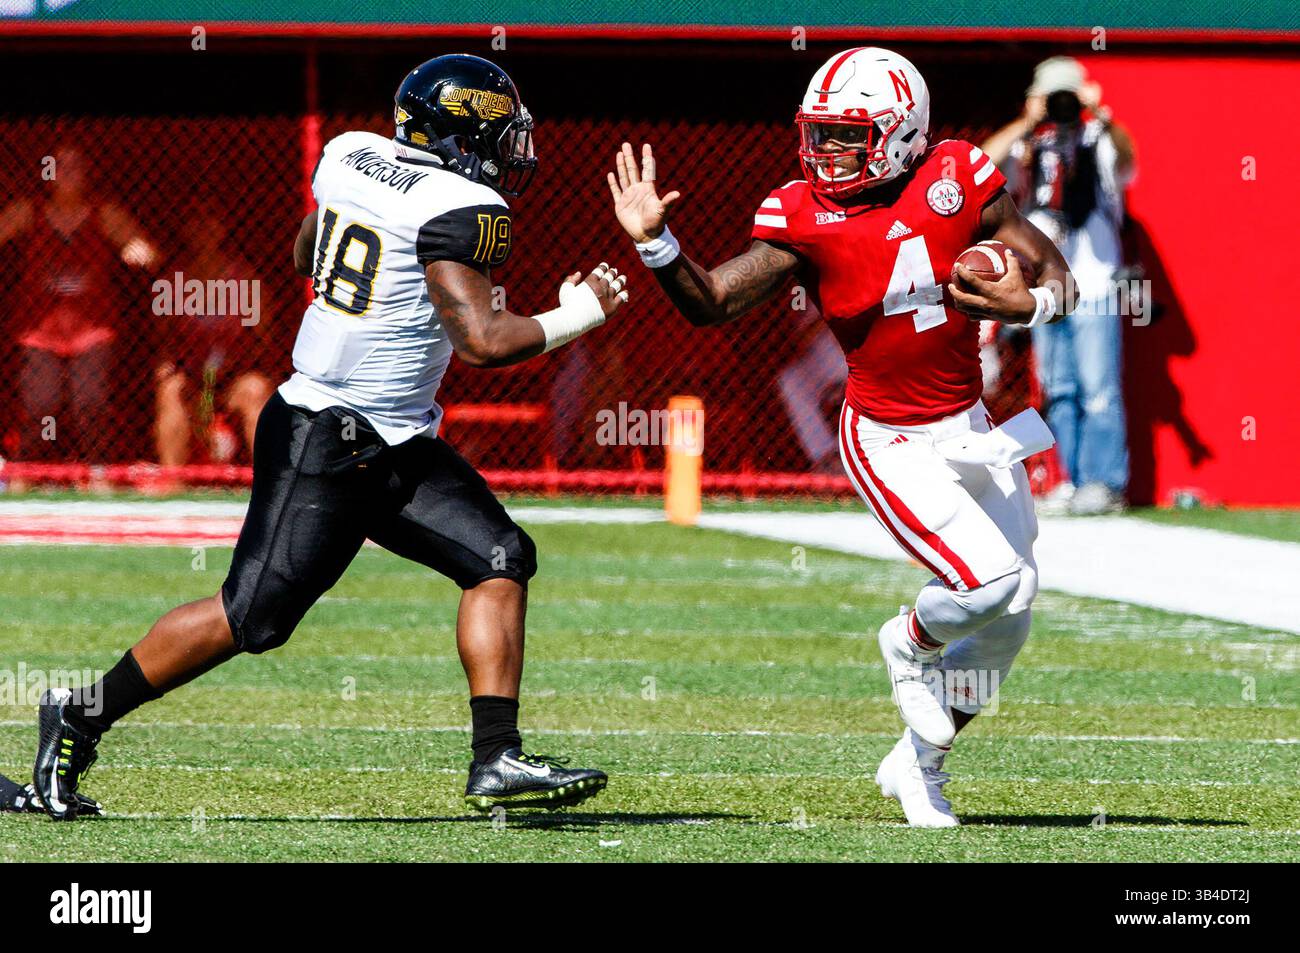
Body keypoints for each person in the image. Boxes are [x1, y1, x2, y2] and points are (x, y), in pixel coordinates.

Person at [31, 54, 623, 820]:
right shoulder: (464, 206)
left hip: (397, 436)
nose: (513, 151)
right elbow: (481, 341)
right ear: (460, 134)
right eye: (500, 134)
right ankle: (77, 713)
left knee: (500, 555)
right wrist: (580, 312)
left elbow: (308, 252)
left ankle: (497, 758)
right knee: (252, 618)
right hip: (326, 436)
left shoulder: (351, 153)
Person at [608, 47, 1074, 826]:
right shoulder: (804, 216)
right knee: (988, 583)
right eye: (818, 133)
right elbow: (713, 301)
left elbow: (1056, 271)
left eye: (844, 135)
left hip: (971, 426)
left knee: (1014, 610)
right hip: (887, 434)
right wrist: (657, 245)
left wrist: (1029, 309)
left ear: (901, 133)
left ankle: (918, 767)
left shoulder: (957, 174)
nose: (823, 151)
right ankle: (907, 640)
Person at [981, 57, 1136, 515]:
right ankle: (1071, 481)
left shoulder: (1098, 140)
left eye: (1067, 98)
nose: (1062, 107)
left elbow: (1127, 162)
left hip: (1095, 284)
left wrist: (1102, 115)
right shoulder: (1032, 145)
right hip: (1048, 287)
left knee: (1099, 389)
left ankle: (1106, 484)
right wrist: (1028, 121)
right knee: (1058, 387)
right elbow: (985, 163)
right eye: (1055, 98)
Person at [0, 149, 158, 461]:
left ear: (87, 173)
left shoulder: (103, 213)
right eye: (59, 166)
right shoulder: (29, 211)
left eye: (76, 166)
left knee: (91, 401)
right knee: (41, 403)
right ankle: (29, 467)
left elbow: (145, 249)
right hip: (40, 331)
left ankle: (98, 469)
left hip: (91, 331)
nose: (67, 172)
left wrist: (137, 250)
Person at [154, 214, 275, 469]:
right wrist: (168, 365)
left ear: (221, 230)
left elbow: (264, 338)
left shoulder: (244, 278)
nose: (202, 233)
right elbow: (163, 338)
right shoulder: (174, 280)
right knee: (170, 390)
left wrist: (236, 360)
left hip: (233, 375)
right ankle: (172, 482)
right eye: (196, 225)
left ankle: (269, 484)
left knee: (256, 390)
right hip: (192, 376)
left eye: (209, 225)